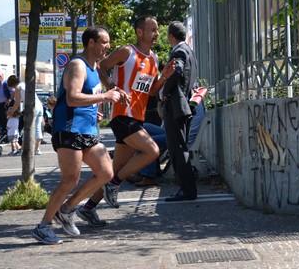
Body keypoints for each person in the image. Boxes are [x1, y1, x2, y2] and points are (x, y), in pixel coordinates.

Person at [76, 15, 175, 226]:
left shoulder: (154, 59)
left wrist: (164, 76)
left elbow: (151, 91)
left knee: (114, 169)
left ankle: (88, 208)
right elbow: (101, 66)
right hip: (122, 116)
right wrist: (112, 87)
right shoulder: (126, 51)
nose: (157, 34)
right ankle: (115, 184)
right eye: (153, 30)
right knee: (152, 151)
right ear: (140, 32)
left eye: (157, 30)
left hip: (136, 118)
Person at [31, 25, 121, 245]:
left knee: (106, 172)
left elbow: (84, 97)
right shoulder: (77, 65)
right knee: (70, 179)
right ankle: (43, 226)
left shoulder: (93, 67)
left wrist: (94, 110)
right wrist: (105, 97)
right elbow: (72, 98)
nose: (107, 46)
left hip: (87, 130)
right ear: (91, 42)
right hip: (69, 130)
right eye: (104, 42)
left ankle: (68, 209)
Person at [162, 21, 199, 202]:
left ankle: (187, 190)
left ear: (171, 36)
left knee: (177, 148)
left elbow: (176, 71)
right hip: (185, 105)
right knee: (179, 146)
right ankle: (186, 189)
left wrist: (164, 91)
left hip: (177, 105)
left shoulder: (179, 51)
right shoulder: (189, 51)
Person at [6, 75, 44, 155]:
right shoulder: (25, 84)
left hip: (31, 107)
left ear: (12, 84)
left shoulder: (18, 88)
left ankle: (24, 150)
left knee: (27, 129)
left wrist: (11, 113)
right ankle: (37, 149)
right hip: (39, 106)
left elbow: (17, 103)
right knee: (37, 129)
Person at [0, 71, 12, 137]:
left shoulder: (5, 83)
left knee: (5, 120)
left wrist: (9, 99)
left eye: (0, 76)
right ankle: (4, 134)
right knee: (1, 120)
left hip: (5, 104)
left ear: (3, 76)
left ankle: (7, 135)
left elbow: (12, 91)